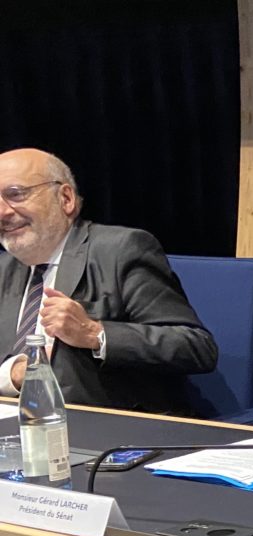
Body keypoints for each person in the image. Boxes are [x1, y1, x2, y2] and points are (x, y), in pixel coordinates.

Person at [0, 148, 217, 414]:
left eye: (15, 194)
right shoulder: (4, 268)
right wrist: (14, 374)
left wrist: (94, 333)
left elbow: (195, 347)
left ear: (65, 198)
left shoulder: (121, 250)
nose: (2, 211)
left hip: (108, 430)